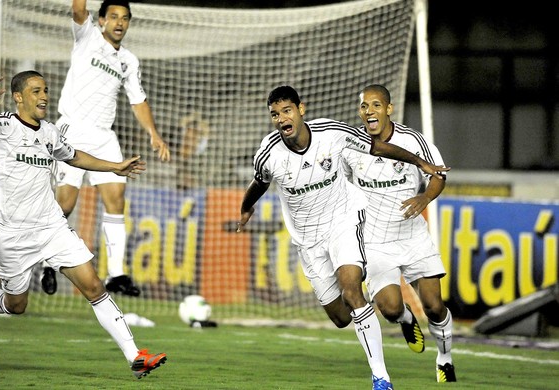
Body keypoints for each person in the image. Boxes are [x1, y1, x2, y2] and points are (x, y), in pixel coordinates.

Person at [0, 71, 167, 379]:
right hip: (13, 232)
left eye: (46, 90)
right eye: (36, 91)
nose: (44, 96)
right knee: (16, 305)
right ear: (19, 96)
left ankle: (135, 356)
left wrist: (115, 166)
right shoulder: (3, 126)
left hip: (52, 228)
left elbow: (75, 157)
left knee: (93, 285)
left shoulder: (50, 133)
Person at [237, 85, 450, 390]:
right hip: (308, 242)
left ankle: (381, 377)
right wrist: (246, 208)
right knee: (340, 317)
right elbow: (259, 182)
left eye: (286, 110)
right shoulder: (268, 154)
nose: (281, 118)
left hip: (343, 223)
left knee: (353, 290)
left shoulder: (332, 132)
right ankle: (398, 320)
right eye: (274, 114)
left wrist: (421, 163)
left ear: (301, 110)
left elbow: (376, 147)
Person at [42, 0, 171, 297]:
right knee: (65, 205)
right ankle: (48, 262)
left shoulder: (129, 60)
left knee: (116, 198)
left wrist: (154, 134)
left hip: (103, 136)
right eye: (113, 16)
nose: (119, 23)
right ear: (101, 20)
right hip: (72, 130)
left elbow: (137, 101)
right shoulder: (86, 37)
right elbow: (77, 10)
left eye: (125, 18)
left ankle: (116, 274)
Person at [342, 84, 456, 382]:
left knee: (433, 305)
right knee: (390, 309)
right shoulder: (351, 145)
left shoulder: (413, 140)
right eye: (365, 106)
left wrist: (425, 198)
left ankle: (444, 358)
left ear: (388, 109)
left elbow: (438, 175)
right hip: (375, 241)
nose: (369, 111)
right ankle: (406, 319)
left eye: (376, 105)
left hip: (412, 235)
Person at [177, 111, 210, 190]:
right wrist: (195, 117)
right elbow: (206, 130)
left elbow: (182, 122)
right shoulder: (199, 147)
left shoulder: (186, 138)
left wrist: (195, 118)